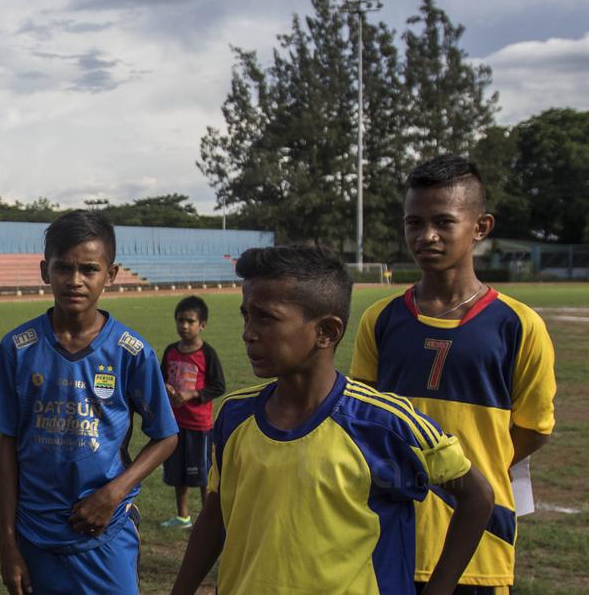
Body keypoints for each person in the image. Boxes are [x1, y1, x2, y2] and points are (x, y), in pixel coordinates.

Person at [171, 245, 495, 595]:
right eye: (246, 315)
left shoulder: (385, 425)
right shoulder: (234, 415)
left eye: (265, 318)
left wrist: (439, 589)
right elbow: (215, 516)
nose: (248, 332)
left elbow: (477, 497)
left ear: (326, 331)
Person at [351, 155, 557, 593]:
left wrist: (469, 471)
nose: (426, 236)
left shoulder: (518, 325)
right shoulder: (380, 318)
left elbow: (535, 429)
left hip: (480, 540)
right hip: (389, 531)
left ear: (480, 227)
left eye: (444, 222)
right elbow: (363, 419)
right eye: (414, 222)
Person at [0, 211, 178, 595]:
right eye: (63, 267)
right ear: (44, 270)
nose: (75, 280)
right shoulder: (18, 348)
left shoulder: (130, 352)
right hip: (35, 533)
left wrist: (113, 493)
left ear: (111, 274)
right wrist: (7, 541)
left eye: (88, 269)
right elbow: (8, 444)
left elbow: (166, 436)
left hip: (106, 529)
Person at [158, 295, 224, 528]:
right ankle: (183, 516)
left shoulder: (208, 354)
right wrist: (165, 387)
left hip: (199, 425)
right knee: (179, 474)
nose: (184, 326)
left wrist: (191, 394)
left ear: (202, 325)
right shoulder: (170, 351)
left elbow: (218, 386)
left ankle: (208, 519)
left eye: (190, 321)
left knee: (203, 476)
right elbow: (160, 378)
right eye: (180, 320)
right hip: (175, 425)